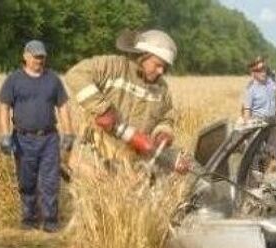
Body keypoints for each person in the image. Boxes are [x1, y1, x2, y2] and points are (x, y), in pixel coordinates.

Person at [63, 29, 186, 175]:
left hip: (131, 160)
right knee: (97, 185)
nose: (161, 71)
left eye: (165, 68)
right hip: (94, 152)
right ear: (143, 56)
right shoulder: (114, 66)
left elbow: (167, 115)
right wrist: (102, 109)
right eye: (158, 64)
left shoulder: (162, 89)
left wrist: (163, 132)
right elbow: (75, 74)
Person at [0, 40, 74, 233]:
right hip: (23, 139)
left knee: (50, 182)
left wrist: (69, 132)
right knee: (27, 181)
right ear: (25, 56)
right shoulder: (14, 80)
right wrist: (5, 135)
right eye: (36, 56)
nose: (39, 60)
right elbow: (4, 107)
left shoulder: (53, 80)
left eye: (42, 57)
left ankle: (50, 221)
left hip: (49, 138)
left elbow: (63, 106)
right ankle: (29, 219)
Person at [242, 56, 276, 123]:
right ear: (253, 73)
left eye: (264, 69)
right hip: (259, 123)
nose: (263, 72)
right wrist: (247, 122)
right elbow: (247, 110)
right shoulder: (251, 88)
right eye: (259, 71)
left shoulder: (272, 81)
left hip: (273, 121)